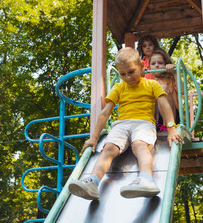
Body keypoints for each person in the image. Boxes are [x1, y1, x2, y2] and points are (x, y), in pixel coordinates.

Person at [69, 47, 184, 200]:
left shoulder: (152, 85)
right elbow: (105, 113)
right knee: (108, 148)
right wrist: (94, 138)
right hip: (121, 124)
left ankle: (146, 179)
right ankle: (93, 182)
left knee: (139, 145)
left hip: (144, 123)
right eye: (122, 74)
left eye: (131, 72)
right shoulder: (119, 87)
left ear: (142, 67)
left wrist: (171, 128)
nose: (127, 77)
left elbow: (165, 105)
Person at [149, 49, 182, 129]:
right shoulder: (148, 82)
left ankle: (167, 126)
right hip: (155, 119)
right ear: (149, 67)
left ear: (166, 64)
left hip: (172, 119)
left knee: (161, 88)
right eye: (153, 63)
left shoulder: (171, 79)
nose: (156, 65)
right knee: (149, 92)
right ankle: (150, 127)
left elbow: (183, 91)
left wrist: (174, 73)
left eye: (160, 63)